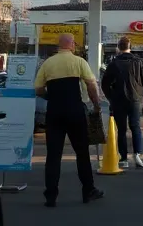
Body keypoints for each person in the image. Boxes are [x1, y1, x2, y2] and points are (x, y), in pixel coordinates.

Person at [34, 33, 104, 207]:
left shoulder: (48, 63)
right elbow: (91, 84)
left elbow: (38, 89)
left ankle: (51, 196)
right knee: (82, 153)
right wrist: (96, 104)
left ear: (59, 45)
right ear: (71, 44)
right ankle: (88, 190)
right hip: (75, 111)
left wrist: (51, 96)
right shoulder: (79, 62)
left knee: (53, 155)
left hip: (54, 112)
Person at [100, 37, 143, 170]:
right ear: (130, 47)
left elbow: (105, 84)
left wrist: (111, 97)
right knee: (135, 126)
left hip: (118, 100)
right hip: (136, 99)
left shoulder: (114, 64)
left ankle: (123, 158)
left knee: (121, 130)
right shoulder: (139, 62)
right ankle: (137, 154)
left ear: (118, 48)